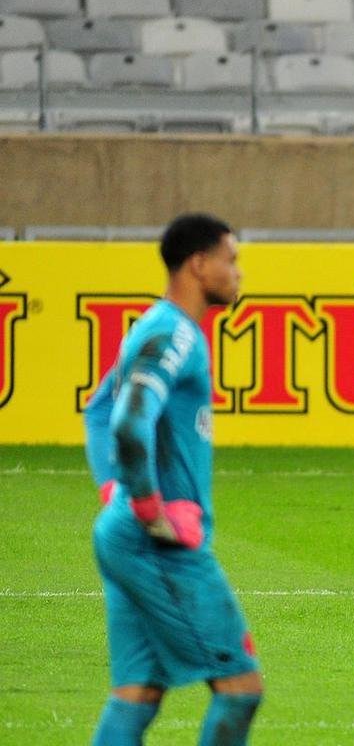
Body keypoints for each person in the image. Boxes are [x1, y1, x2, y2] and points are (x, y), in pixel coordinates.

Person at [90, 213, 263, 744]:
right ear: (199, 264)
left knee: (137, 693)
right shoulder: (175, 335)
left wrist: (114, 490)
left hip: (125, 535)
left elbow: (98, 410)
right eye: (231, 260)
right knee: (240, 686)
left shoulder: (155, 326)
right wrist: (147, 507)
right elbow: (127, 421)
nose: (238, 273)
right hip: (157, 544)